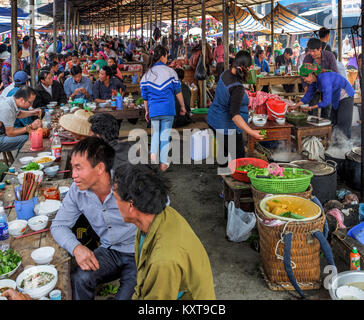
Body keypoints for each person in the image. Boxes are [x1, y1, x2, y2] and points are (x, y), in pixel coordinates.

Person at [112, 163, 216, 300]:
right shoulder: (157, 216)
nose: (114, 203)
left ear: (131, 205)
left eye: (115, 198)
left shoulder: (163, 260)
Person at [50, 137, 137, 300]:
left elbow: (162, 207)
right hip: (110, 250)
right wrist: (76, 248)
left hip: (139, 251)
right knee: (79, 278)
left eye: (78, 168)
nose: (73, 175)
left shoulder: (128, 182)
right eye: (72, 168)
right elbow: (58, 225)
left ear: (99, 168)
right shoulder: (77, 191)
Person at [207, 50, 264, 167]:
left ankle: (224, 178)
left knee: (223, 154)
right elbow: (235, 116)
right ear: (245, 68)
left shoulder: (226, 73)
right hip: (226, 125)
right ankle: (235, 182)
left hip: (214, 119)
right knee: (239, 159)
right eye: (249, 68)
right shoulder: (237, 87)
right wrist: (251, 132)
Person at [140, 45, 186, 171]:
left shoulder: (146, 75)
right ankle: (163, 163)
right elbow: (178, 92)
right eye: (166, 56)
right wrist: (182, 106)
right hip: (168, 109)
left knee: (156, 135)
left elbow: (145, 97)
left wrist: (147, 111)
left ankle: (153, 158)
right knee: (165, 135)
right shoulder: (171, 72)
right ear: (162, 57)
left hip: (154, 110)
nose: (167, 59)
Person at [289, 63, 354, 139]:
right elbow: (307, 96)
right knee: (333, 122)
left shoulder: (324, 79)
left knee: (343, 123)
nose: (304, 80)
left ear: (310, 75)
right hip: (336, 98)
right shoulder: (314, 81)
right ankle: (335, 145)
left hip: (346, 96)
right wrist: (295, 106)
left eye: (304, 78)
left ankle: (345, 147)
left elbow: (326, 101)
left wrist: (311, 107)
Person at [302, 38, 338, 118]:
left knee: (326, 111)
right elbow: (303, 74)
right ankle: (313, 128)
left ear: (320, 49)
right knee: (311, 111)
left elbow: (335, 73)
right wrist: (305, 87)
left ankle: (325, 128)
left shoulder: (329, 56)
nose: (312, 53)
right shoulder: (307, 58)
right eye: (310, 51)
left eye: (314, 51)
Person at [0, 86, 42, 154]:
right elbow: (10, 133)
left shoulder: (12, 101)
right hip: (2, 136)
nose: (31, 105)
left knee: (29, 133)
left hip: (3, 132)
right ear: (22, 100)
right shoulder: (7, 108)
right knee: (25, 139)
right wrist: (31, 126)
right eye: (30, 102)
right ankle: (20, 162)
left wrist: (32, 113)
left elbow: (18, 114)